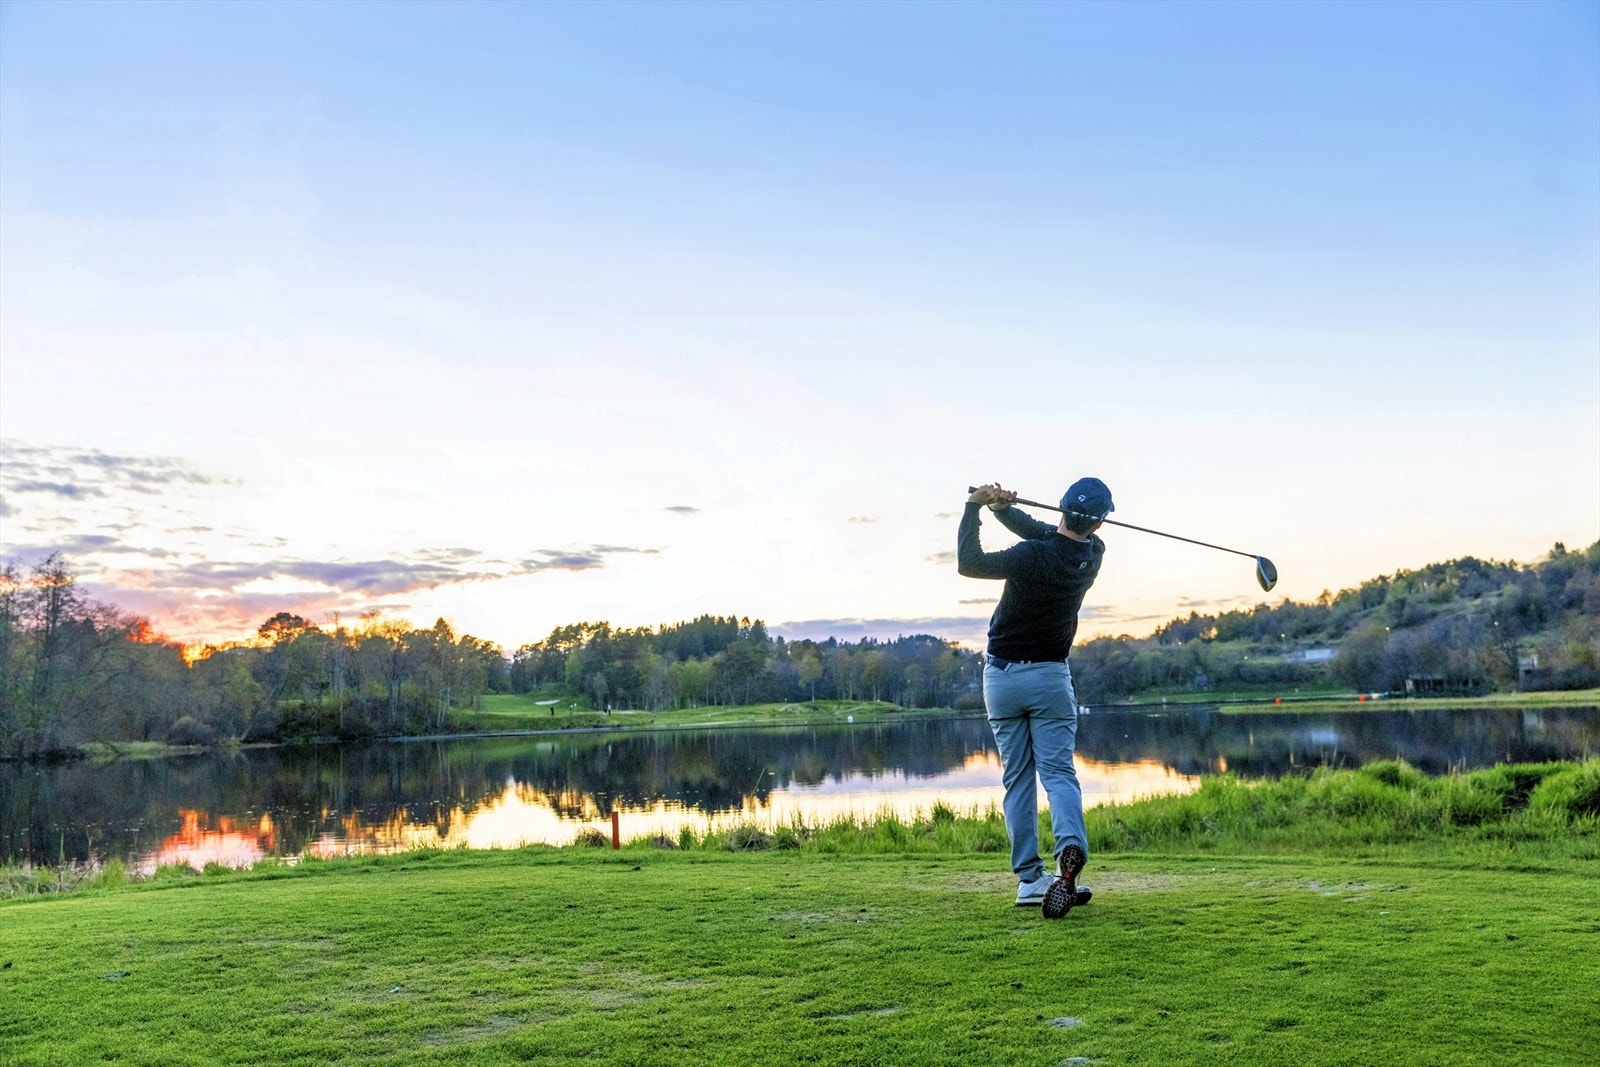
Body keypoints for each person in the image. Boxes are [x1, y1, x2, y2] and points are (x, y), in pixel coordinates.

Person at [958, 477, 1112, 919]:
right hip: (1049, 678)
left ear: (1061, 507)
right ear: (1099, 522)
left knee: (1018, 780)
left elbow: (970, 563)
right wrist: (1003, 510)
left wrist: (974, 507)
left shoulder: (1030, 554)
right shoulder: (1092, 554)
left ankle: (1030, 879)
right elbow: (1047, 533)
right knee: (1059, 773)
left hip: (1002, 678)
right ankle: (1069, 853)